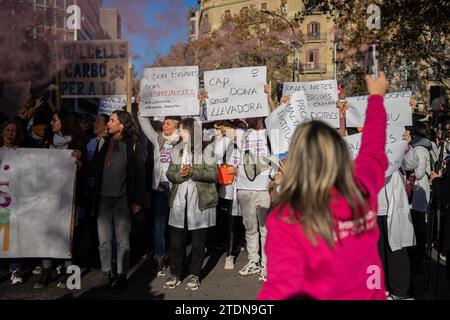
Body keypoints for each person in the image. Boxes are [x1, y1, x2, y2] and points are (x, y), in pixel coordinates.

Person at [258, 72, 389, 300]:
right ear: (338, 152)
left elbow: (279, 290)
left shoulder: (287, 217)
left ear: (296, 160)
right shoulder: (362, 188)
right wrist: (376, 97)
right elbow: (373, 148)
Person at [91, 110, 145, 292]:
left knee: (123, 241)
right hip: (103, 200)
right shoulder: (103, 142)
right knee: (104, 240)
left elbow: (139, 173)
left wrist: (137, 200)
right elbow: (95, 168)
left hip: (123, 200)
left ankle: (121, 274)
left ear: (122, 125)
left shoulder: (133, 144)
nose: (108, 123)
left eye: (112, 121)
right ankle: (106, 273)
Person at [163, 118, 217, 291]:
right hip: (179, 201)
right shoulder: (177, 150)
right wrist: (180, 175)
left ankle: (194, 274)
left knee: (198, 242)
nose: (180, 133)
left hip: (200, 201)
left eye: (184, 130)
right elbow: (170, 173)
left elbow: (213, 174)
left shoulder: (207, 149)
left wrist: (192, 171)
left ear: (193, 132)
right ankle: (176, 274)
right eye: (180, 130)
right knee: (176, 241)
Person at [33, 111, 85, 289]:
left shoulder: (78, 143)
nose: (51, 122)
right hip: (47, 197)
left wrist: (80, 163)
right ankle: (47, 271)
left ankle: (70, 273)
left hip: (69, 199)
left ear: (63, 122)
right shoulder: (47, 142)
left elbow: (85, 173)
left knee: (67, 235)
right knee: (47, 232)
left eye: (54, 120)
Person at [138, 113, 181, 277]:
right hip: (160, 187)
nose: (164, 126)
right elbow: (144, 123)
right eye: (164, 123)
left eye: (168, 124)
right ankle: (160, 256)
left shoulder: (182, 139)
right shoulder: (157, 139)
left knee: (176, 224)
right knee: (159, 225)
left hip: (176, 186)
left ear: (176, 126)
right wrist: (142, 107)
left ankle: (176, 255)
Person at [213, 120, 243, 270]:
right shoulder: (225, 138)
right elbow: (217, 154)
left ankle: (234, 249)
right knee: (229, 219)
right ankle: (229, 252)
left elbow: (256, 156)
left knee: (240, 218)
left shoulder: (244, 132)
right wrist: (223, 136)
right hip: (227, 184)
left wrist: (240, 169)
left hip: (245, 182)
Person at [0, 120, 24, 285]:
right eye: (7, 130)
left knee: (13, 235)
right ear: (2, 133)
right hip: (1, 202)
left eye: (14, 131)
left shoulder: (24, 153)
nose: (10, 133)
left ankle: (15, 269)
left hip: (15, 202)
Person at [408, 121, 432, 266]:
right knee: (417, 223)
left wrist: (410, 167)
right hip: (418, 192)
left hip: (418, 192)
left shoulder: (420, 150)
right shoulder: (419, 148)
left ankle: (420, 253)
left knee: (418, 224)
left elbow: (419, 172)